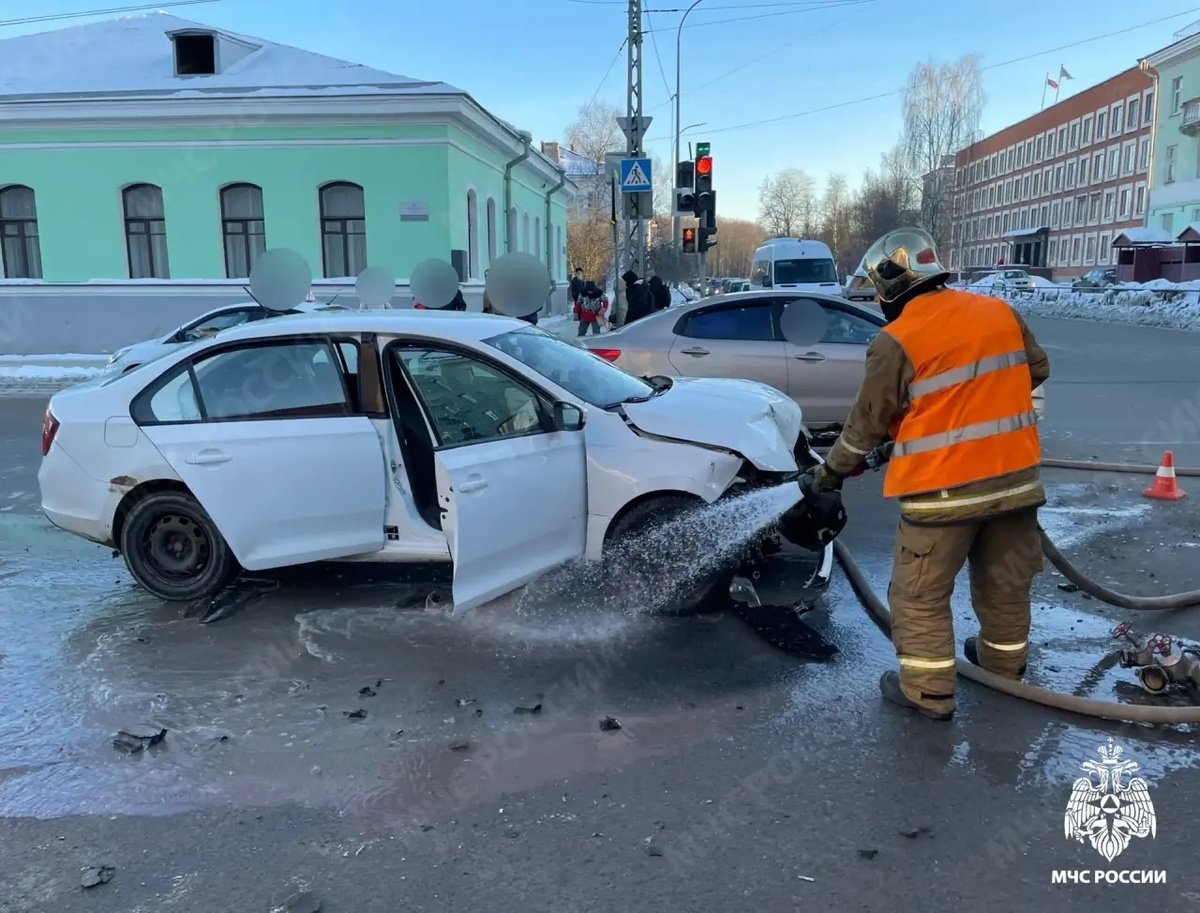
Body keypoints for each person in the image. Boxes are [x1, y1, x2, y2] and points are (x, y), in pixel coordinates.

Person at [796, 226, 1050, 722]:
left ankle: (928, 691)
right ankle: (1005, 669)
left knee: (919, 594)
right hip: (1017, 484)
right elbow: (1034, 369)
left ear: (891, 286)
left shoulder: (897, 339)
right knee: (1006, 583)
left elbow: (864, 427)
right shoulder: (999, 312)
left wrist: (828, 476)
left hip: (943, 495)